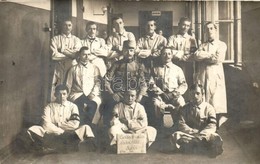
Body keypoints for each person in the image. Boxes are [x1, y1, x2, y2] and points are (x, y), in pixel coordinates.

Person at [26, 84, 96, 154]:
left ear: (67, 95)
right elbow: (46, 125)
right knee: (34, 129)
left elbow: (75, 124)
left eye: (64, 94)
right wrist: (61, 131)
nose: (62, 96)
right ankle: (62, 147)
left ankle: (55, 147)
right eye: (59, 94)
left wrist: (58, 124)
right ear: (55, 95)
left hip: (69, 133)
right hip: (53, 134)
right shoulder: (49, 107)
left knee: (86, 127)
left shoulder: (73, 106)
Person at [170, 84, 223, 158]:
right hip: (190, 134)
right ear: (190, 95)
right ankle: (200, 145)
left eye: (198, 93)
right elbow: (181, 123)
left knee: (215, 137)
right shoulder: (185, 108)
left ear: (202, 94)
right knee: (175, 135)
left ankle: (194, 145)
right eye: (192, 94)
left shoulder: (209, 108)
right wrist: (192, 131)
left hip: (204, 135)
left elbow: (212, 124)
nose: (195, 96)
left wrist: (202, 134)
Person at [104, 40, 147, 127]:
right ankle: (109, 130)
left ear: (134, 51)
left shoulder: (139, 65)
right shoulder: (116, 65)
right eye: (126, 50)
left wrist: (140, 95)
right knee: (107, 104)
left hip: (134, 95)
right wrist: (112, 93)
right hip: (120, 94)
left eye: (131, 50)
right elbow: (106, 80)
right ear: (123, 51)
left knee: (148, 103)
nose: (128, 53)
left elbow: (143, 83)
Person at [193, 22, 228, 128]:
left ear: (216, 30)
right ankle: (205, 124)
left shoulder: (221, 44)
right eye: (207, 29)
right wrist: (209, 55)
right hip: (204, 75)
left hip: (215, 75)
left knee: (215, 100)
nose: (209, 31)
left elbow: (217, 59)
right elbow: (196, 56)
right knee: (205, 98)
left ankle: (215, 125)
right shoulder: (202, 45)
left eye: (211, 28)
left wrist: (204, 56)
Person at [149, 47, 187, 129]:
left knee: (181, 103)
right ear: (161, 55)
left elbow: (183, 84)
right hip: (160, 95)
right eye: (164, 54)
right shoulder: (155, 69)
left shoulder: (177, 69)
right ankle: (159, 126)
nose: (167, 56)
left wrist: (174, 94)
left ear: (172, 55)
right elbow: (151, 83)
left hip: (174, 95)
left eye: (169, 54)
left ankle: (178, 125)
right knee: (155, 103)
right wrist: (160, 92)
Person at [66, 47, 102, 129]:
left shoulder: (95, 68)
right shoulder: (73, 69)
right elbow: (68, 85)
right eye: (84, 54)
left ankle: (90, 128)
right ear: (79, 55)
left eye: (88, 54)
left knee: (94, 104)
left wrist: (93, 93)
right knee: (79, 106)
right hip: (77, 94)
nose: (86, 57)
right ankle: (80, 128)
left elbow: (98, 83)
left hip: (92, 93)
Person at [50, 19, 81, 101]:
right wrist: (70, 55)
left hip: (72, 67)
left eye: (69, 25)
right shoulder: (55, 39)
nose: (67, 27)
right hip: (59, 67)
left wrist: (62, 51)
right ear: (61, 26)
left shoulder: (76, 40)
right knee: (56, 87)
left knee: (71, 88)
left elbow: (77, 54)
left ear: (72, 27)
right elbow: (54, 55)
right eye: (65, 25)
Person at [167, 17, 198, 92]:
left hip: (188, 66)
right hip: (176, 64)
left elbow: (194, 54)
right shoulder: (172, 38)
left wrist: (179, 53)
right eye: (183, 25)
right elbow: (170, 52)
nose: (185, 27)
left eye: (187, 26)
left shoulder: (192, 39)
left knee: (188, 83)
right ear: (179, 25)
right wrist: (182, 55)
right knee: (175, 84)